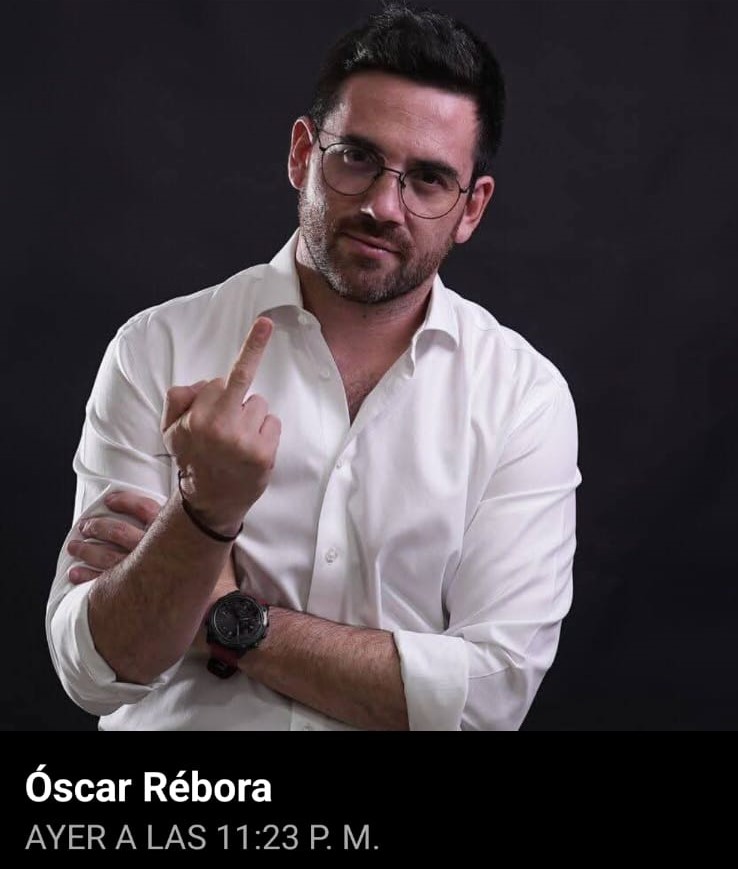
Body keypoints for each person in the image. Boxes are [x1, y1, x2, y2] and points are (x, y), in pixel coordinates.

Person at [46, 3, 582, 731]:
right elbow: (93, 672)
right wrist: (205, 514)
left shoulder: (523, 397)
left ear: (471, 208)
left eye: (428, 179)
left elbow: (488, 700)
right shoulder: (157, 347)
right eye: (357, 157)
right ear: (303, 153)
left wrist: (222, 609)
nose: (385, 206)